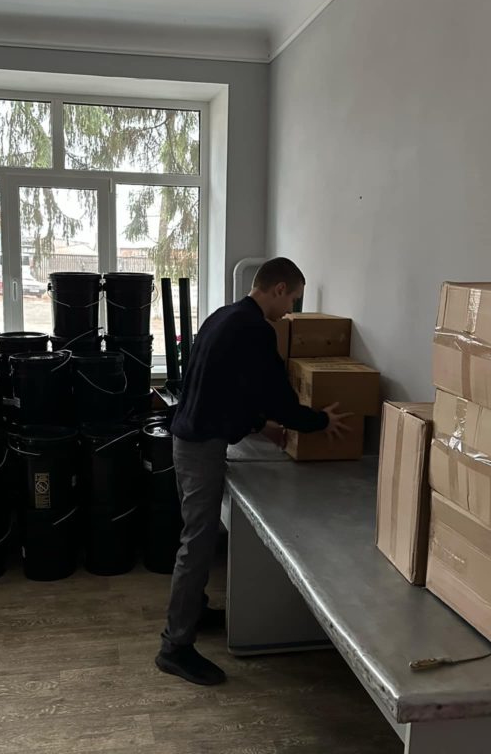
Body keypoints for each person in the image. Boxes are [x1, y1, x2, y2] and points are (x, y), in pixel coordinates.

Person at [155, 257, 352, 686]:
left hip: (189, 437)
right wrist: (318, 421)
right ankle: (175, 646)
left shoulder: (224, 316)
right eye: (292, 300)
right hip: (200, 447)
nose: (290, 312)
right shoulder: (255, 329)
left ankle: (196, 611)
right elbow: (277, 396)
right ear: (278, 288)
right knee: (198, 543)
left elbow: (223, 388)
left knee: (199, 538)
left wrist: (260, 425)